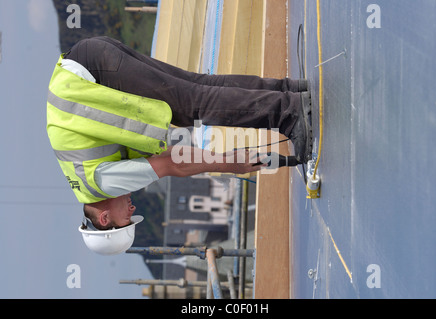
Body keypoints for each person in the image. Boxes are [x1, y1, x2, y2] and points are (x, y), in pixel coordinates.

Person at [46, 36, 312, 255]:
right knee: (198, 86)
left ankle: (289, 113)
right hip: (87, 60)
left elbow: (170, 162)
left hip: (93, 72)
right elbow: (167, 154)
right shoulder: (85, 178)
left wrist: (230, 163)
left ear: (104, 219)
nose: (132, 210)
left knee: (192, 106)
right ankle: (289, 91)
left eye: (126, 219)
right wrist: (221, 158)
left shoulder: (100, 184)